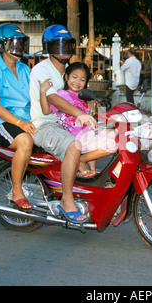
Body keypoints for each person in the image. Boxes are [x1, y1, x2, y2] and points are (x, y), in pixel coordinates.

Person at [29, 25, 96, 224]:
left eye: (67, 45)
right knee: (74, 145)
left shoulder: (68, 71)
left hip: (65, 123)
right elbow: (54, 100)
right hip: (46, 124)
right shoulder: (42, 69)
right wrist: (79, 114)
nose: (64, 49)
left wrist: (89, 105)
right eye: (59, 45)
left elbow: (80, 92)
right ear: (48, 48)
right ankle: (67, 201)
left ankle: (87, 184)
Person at [0, 23, 35, 210]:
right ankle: (17, 191)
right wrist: (21, 123)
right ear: (0, 46)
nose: (18, 48)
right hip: (0, 121)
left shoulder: (25, 69)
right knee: (25, 142)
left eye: (21, 44)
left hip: (26, 118)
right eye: (14, 44)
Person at [39, 62, 117, 178]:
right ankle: (80, 160)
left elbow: (92, 114)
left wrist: (93, 169)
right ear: (67, 77)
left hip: (89, 132)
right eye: (74, 77)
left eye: (82, 80)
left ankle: (92, 169)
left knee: (117, 136)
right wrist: (42, 91)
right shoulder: (61, 95)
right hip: (76, 135)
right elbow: (46, 111)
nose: (77, 82)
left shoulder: (83, 96)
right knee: (112, 145)